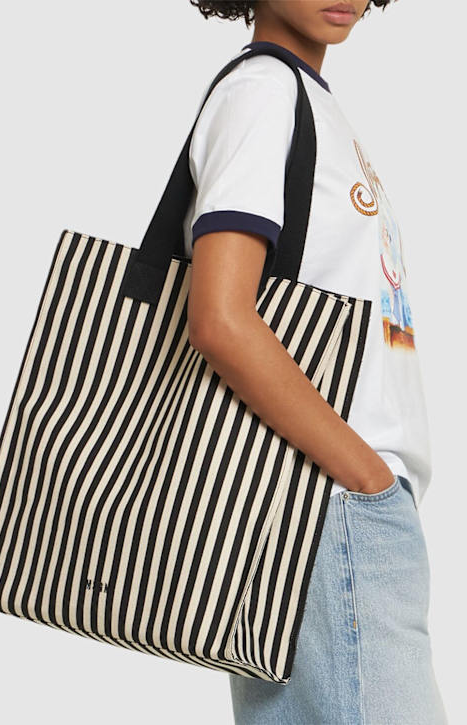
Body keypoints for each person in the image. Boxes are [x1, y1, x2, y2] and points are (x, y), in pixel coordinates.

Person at [186, 1, 448, 723]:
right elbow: (219, 318)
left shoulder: (305, 101)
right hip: (328, 506)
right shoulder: (263, 93)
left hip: (334, 505)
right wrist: (365, 476)